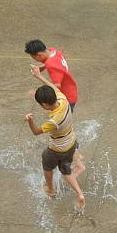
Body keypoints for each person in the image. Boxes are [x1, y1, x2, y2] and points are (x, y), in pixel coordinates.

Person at [25, 66, 85, 209]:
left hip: (57, 149)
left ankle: (50, 190)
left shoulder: (53, 121)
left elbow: (36, 131)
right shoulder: (63, 99)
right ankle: (80, 194)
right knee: (66, 170)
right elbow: (52, 87)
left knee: (47, 165)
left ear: (44, 105)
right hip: (71, 143)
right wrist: (39, 76)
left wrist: (30, 120)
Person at [25, 39, 85, 178]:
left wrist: (39, 77)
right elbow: (50, 62)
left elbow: (56, 86)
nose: (35, 59)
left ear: (39, 54)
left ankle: (77, 161)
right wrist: (42, 68)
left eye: (34, 57)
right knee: (66, 128)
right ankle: (77, 155)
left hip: (66, 98)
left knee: (64, 129)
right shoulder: (53, 51)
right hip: (72, 91)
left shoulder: (51, 65)